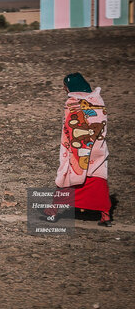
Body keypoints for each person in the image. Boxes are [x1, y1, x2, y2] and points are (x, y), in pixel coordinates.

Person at [54, 72, 111, 226]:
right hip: (97, 147)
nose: (64, 90)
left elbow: (70, 128)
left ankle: (51, 212)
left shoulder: (72, 103)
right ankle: (105, 216)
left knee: (69, 176)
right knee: (97, 179)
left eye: (65, 86)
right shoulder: (98, 101)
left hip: (78, 148)